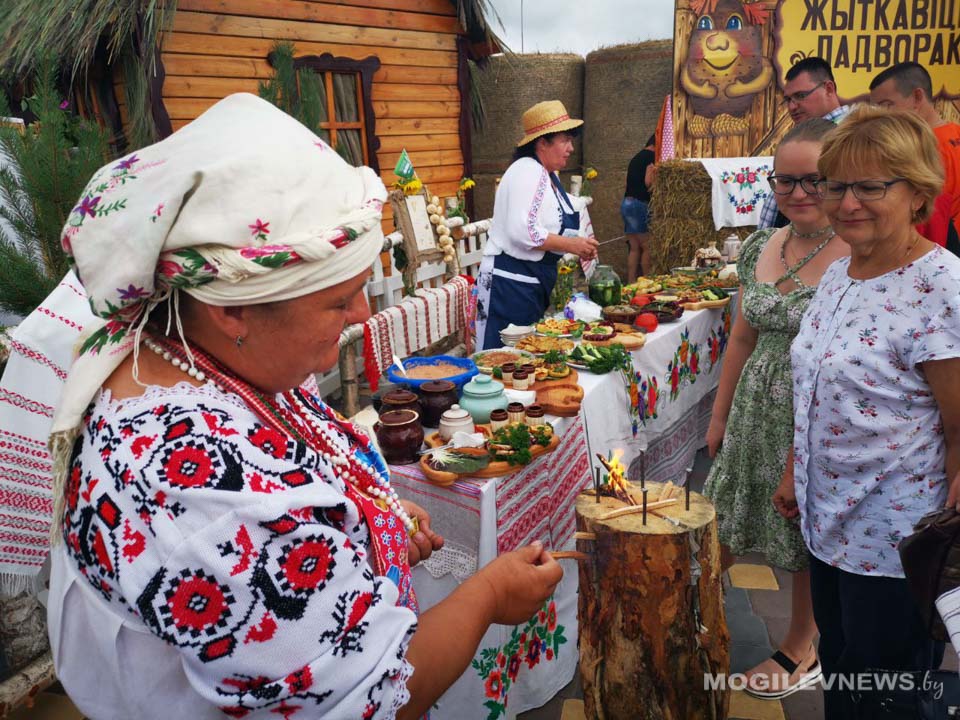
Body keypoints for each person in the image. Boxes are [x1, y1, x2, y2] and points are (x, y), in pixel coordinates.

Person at [46, 93, 563, 720]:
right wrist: (489, 594)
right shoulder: (205, 493)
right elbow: (369, 698)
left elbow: (296, 464)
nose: (363, 316)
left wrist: (371, 518)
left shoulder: (215, 354)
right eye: (338, 300)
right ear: (233, 306)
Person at [777, 105, 960, 718]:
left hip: (894, 543)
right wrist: (792, 470)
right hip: (827, 524)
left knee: (886, 693)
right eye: (838, 185)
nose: (847, 202)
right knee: (843, 668)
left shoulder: (941, 287)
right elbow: (816, 388)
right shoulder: (839, 273)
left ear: (917, 192)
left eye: (871, 186)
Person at [703, 119, 846, 700]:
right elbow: (741, 335)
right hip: (753, 411)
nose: (798, 194)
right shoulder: (764, 245)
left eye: (814, 180)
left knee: (800, 533)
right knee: (726, 510)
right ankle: (693, 609)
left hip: (812, 415)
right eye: (784, 181)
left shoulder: (854, 252)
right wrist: (718, 416)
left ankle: (801, 644)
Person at [475, 100, 598, 350]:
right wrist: (571, 244)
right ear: (542, 142)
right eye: (564, 140)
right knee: (502, 360)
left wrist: (580, 240)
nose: (571, 148)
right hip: (509, 285)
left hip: (529, 283)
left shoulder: (548, 175)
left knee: (524, 360)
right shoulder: (526, 172)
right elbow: (524, 231)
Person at [869, 61, 960, 241]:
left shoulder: (922, 150)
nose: (881, 115)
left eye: (887, 105)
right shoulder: (955, 132)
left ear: (917, 97)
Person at [757, 57, 850, 230]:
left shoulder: (850, 137)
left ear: (829, 89)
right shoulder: (804, 134)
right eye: (788, 100)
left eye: (800, 96)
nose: (792, 107)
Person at [622, 134, 656, 281]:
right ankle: (647, 281)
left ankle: (630, 282)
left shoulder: (637, 157)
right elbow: (648, 181)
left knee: (634, 247)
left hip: (627, 203)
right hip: (639, 204)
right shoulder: (651, 158)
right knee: (647, 246)